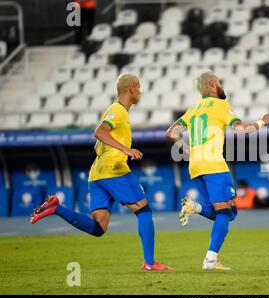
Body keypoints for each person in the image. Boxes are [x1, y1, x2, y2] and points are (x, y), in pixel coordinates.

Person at [29, 73, 172, 272]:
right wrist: (125, 149)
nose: (140, 91)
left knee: (98, 228)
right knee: (143, 210)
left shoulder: (118, 112)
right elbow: (99, 132)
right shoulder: (118, 110)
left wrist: (113, 149)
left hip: (97, 173)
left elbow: (98, 145)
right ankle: (149, 262)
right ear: (131, 88)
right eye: (138, 87)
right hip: (114, 170)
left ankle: (56, 208)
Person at [166, 71, 269, 270]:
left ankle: (194, 208)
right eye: (220, 82)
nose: (222, 85)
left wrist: (188, 151)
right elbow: (241, 130)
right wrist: (262, 122)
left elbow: (171, 133)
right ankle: (210, 260)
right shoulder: (221, 105)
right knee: (226, 212)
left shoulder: (193, 109)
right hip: (214, 165)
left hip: (196, 167)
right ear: (213, 83)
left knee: (227, 212)